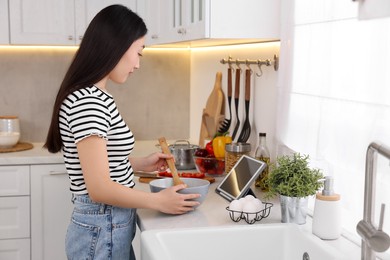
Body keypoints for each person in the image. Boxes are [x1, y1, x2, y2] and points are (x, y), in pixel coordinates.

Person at [44, 5, 200, 260]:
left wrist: (140, 163)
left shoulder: (94, 95)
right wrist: (159, 202)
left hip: (106, 225)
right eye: (138, 53)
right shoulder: (89, 102)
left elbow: (97, 163)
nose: (138, 64)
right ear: (115, 46)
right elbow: (99, 188)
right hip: (102, 226)